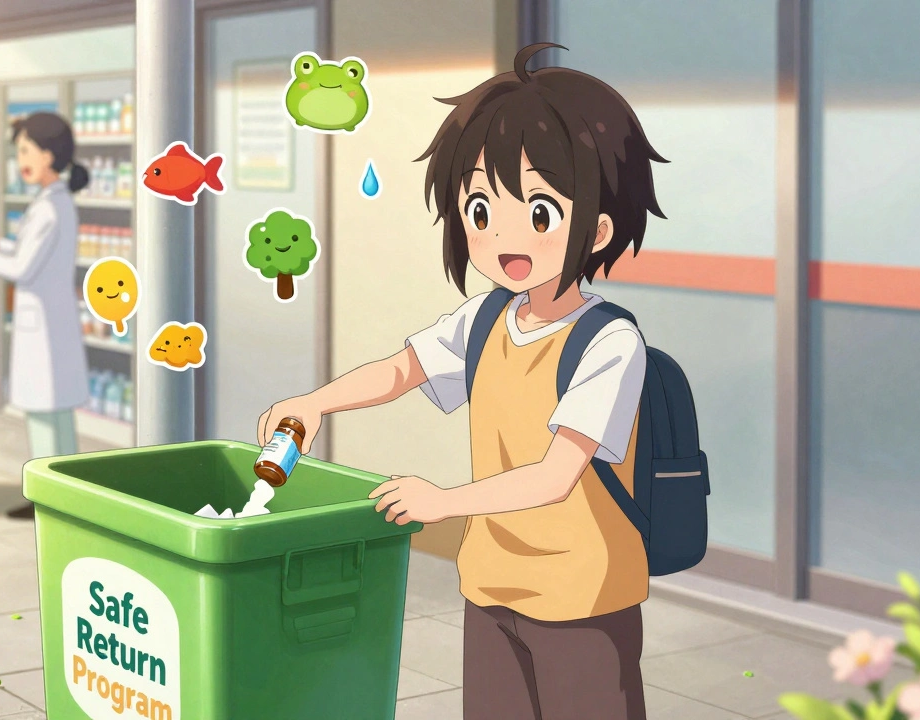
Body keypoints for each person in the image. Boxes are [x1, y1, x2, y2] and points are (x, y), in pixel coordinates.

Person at [257, 43, 666, 720]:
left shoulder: (609, 342)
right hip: (491, 587)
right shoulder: (486, 317)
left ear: (597, 230)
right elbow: (401, 369)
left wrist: (442, 502)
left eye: (539, 213)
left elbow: (555, 476)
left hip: (583, 599)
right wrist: (316, 402)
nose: (503, 236)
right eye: (480, 210)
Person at [0, 112, 90, 520]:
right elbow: (30, 253)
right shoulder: (54, 202)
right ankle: (70, 497)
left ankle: (47, 501)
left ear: (48, 155)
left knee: (44, 415)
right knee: (57, 416)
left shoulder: (48, 209)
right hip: (52, 322)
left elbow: (23, 268)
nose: (20, 160)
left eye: (26, 151)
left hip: (43, 329)